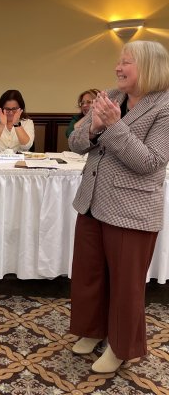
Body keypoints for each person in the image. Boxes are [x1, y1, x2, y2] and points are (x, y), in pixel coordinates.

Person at [68, 40, 169, 373]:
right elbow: (75, 142)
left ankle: (123, 347)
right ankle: (93, 330)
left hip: (132, 210)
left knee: (126, 284)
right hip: (93, 201)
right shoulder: (112, 96)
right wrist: (95, 127)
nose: (118, 67)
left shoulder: (165, 106)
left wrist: (113, 125)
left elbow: (150, 161)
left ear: (149, 67)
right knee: (89, 274)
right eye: (119, 61)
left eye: (126, 62)